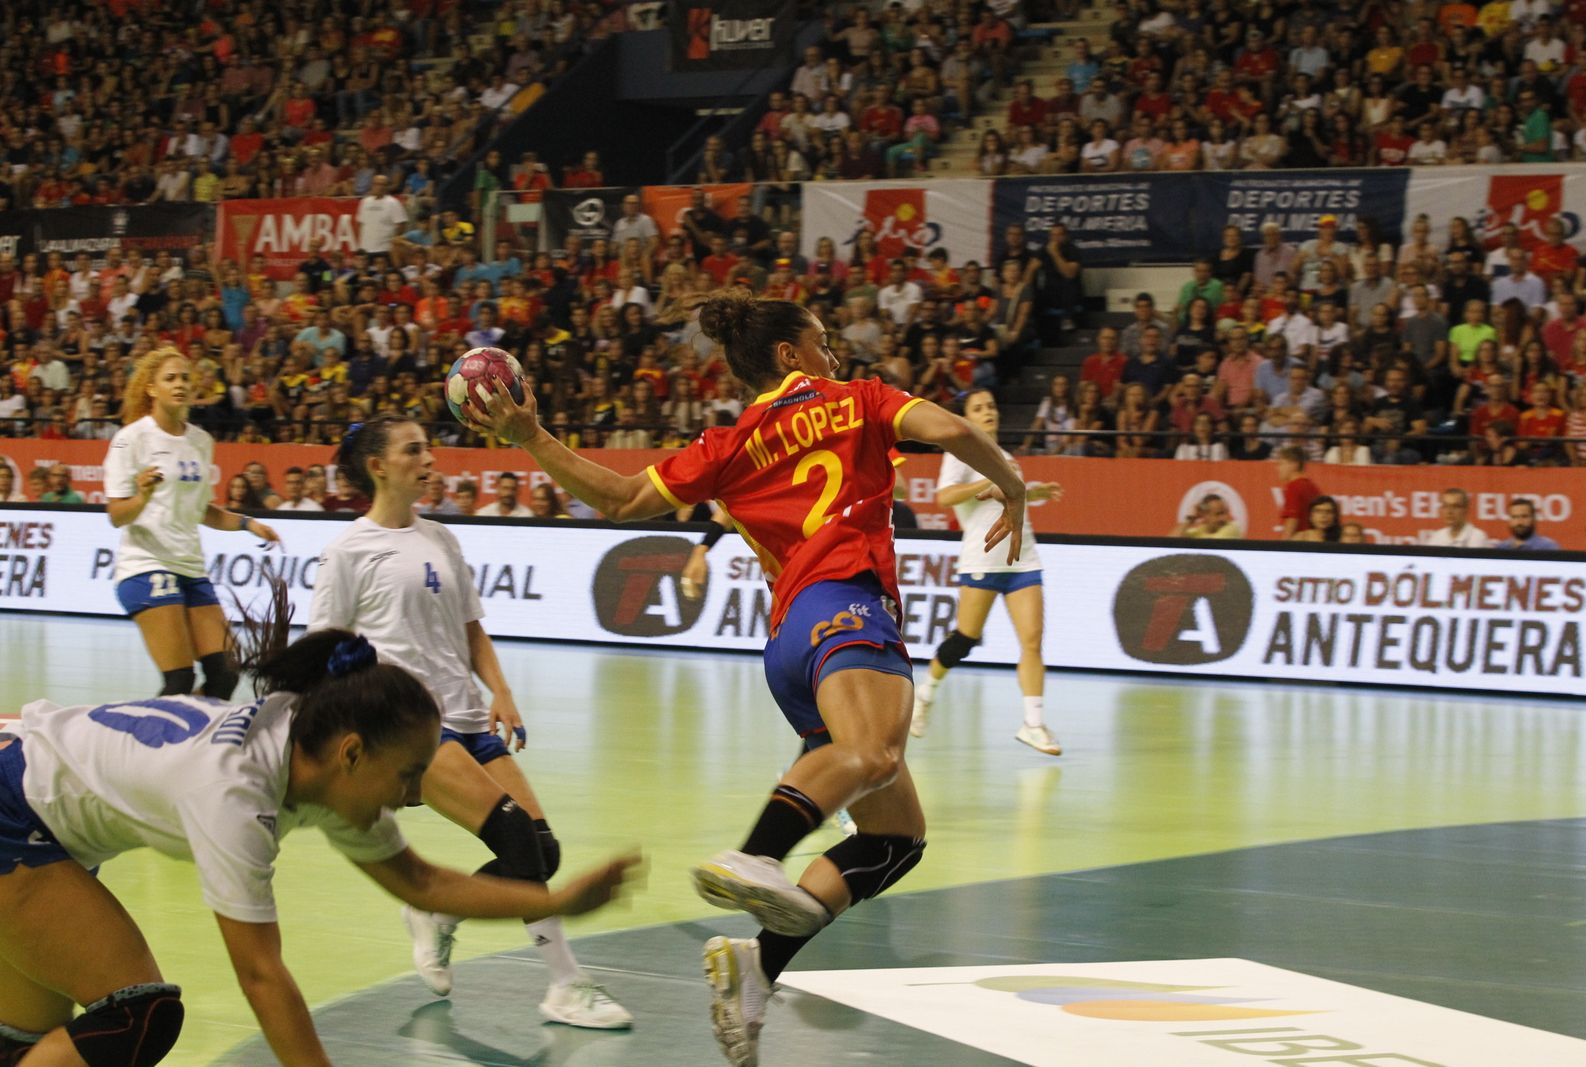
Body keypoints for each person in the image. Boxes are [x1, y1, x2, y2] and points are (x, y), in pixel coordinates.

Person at [465, 288, 1027, 1067]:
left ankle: (756, 966)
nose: (834, 354)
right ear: (791, 355)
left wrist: (533, 436)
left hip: (789, 637)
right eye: (823, 341)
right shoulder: (859, 398)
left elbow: (622, 497)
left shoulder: (728, 444)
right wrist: (1014, 484)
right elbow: (956, 430)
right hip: (848, 605)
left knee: (895, 839)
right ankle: (759, 852)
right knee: (872, 755)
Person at [0, 598, 637, 1066]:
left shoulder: (312, 751)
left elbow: (421, 882)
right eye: (410, 775)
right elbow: (261, 976)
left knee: (29, 1043)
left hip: (34, 813)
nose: (415, 796)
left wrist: (556, 901)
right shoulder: (236, 794)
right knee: (136, 1016)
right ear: (353, 754)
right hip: (13, 810)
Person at [308, 417, 631, 1028]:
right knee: (513, 838)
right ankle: (565, 983)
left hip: (468, 717)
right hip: (410, 727)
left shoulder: (441, 538)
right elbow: (325, 650)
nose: (428, 459)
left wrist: (501, 690)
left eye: (428, 447)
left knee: (541, 848)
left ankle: (437, 912)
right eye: (413, 450)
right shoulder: (348, 550)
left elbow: (470, 628)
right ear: (378, 466)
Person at [105, 348, 282, 697]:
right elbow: (115, 515)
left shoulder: (201, 441)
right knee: (179, 680)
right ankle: (140, 745)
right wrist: (141, 497)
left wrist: (248, 524)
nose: (180, 384)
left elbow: (203, 510)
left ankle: (188, 742)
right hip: (146, 567)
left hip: (190, 568)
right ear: (151, 389)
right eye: (170, 378)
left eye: (185, 377)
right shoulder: (132, 439)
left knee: (225, 677)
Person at [910, 390, 1063, 754]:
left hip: (1023, 558)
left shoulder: (1008, 458)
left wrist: (1034, 492)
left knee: (1032, 641)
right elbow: (944, 497)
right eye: (978, 408)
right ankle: (926, 694)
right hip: (983, 558)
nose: (988, 412)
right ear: (968, 418)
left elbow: (1010, 495)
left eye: (991, 406)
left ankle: (1034, 723)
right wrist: (989, 479)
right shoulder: (960, 453)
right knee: (965, 638)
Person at [1423, 487, 1491, 547]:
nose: (1449, 512)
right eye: (1445, 506)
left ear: (1466, 510)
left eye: (1455, 506)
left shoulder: (1477, 537)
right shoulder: (1437, 537)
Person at [1496, 497, 1561, 551]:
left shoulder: (1548, 547)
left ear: (1534, 519)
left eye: (1524, 516)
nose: (1519, 522)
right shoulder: (1501, 548)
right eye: (1514, 517)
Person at [1170, 494, 1241, 538]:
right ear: (1205, 516)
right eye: (1218, 514)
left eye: (1225, 513)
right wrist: (1190, 519)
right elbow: (1170, 544)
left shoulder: (1232, 529)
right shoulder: (1199, 531)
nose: (1223, 518)